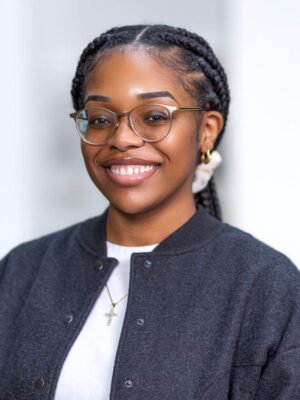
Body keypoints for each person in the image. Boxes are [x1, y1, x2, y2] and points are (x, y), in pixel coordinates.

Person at [0, 24, 299, 400]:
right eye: (100, 118)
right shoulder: (23, 269)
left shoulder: (265, 286)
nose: (122, 138)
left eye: (154, 117)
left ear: (206, 131)